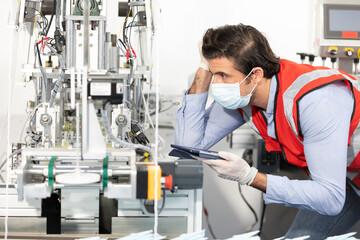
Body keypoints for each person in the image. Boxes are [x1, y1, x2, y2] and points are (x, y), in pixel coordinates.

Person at [175, 23, 360, 239]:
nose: (216, 85)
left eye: (223, 75)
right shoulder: (244, 96)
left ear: (255, 74)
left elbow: (329, 198)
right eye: (213, 73)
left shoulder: (314, 101)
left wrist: (249, 176)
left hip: (336, 186)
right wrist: (203, 69)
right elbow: (188, 147)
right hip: (345, 181)